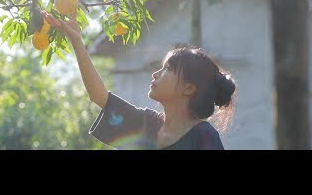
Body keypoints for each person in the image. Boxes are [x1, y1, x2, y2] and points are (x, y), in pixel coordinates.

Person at [42, 10, 237, 150]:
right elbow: (98, 96)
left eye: (168, 69)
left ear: (188, 88)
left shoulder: (204, 137)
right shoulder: (145, 123)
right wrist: (77, 42)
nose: (155, 74)